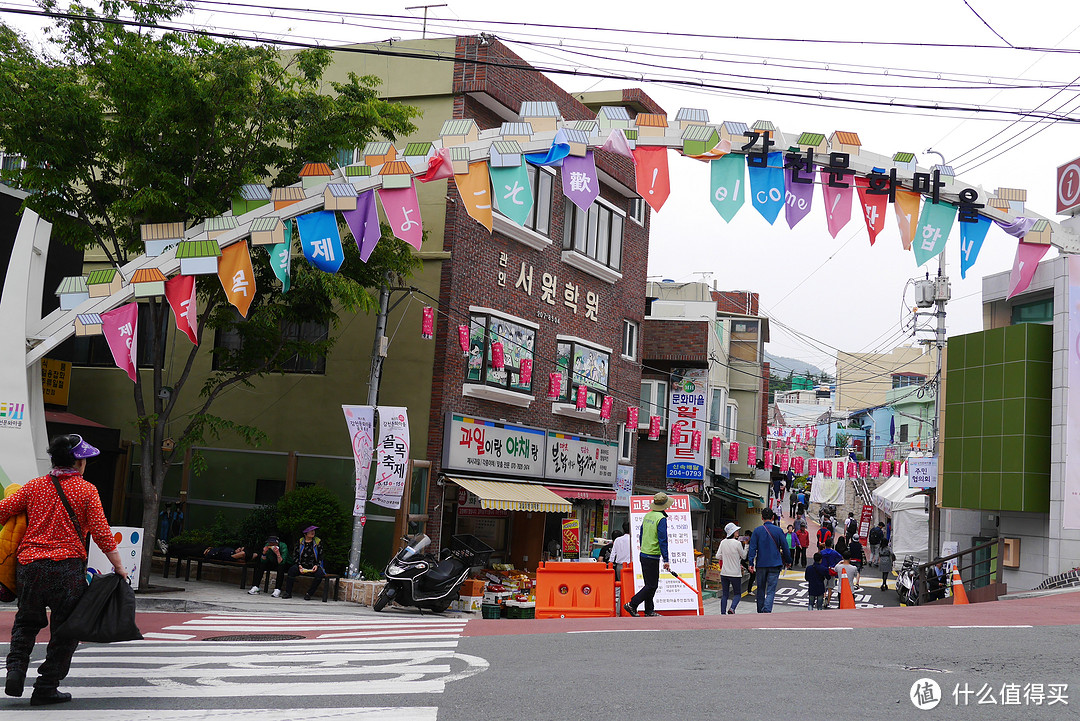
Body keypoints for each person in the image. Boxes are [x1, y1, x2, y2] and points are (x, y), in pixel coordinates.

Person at [0, 434, 129, 706]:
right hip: (67, 571)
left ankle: (15, 671)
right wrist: (119, 567)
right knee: (66, 630)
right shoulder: (86, 490)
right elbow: (102, 534)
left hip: (30, 567)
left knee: (25, 622)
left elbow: (3, 510)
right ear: (79, 462)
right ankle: (46, 686)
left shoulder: (34, 487)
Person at [624, 492, 672, 617]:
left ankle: (649, 610)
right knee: (652, 585)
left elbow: (641, 534)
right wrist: (666, 559)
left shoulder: (648, 516)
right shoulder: (661, 519)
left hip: (644, 553)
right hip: (652, 555)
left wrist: (644, 546)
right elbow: (663, 540)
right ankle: (632, 604)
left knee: (649, 584)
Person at [747, 508, 791, 613]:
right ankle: (767, 610)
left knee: (760, 588)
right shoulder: (778, 530)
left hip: (761, 564)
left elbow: (752, 548)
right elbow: (785, 547)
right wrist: (788, 560)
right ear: (772, 518)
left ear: (762, 518)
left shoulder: (757, 531)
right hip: (775, 563)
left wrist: (750, 562)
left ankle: (760, 610)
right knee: (771, 590)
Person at [282, 525, 326, 600]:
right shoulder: (300, 542)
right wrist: (299, 565)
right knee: (291, 571)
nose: (313, 532)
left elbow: (321, 555)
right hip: (301, 565)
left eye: (313, 531)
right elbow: (295, 555)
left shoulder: (318, 541)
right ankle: (288, 592)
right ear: (305, 533)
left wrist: (317, 565)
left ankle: (309, 593)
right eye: (311, 531)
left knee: (320, 574)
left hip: (313, 565)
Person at [717, 522, 746, 615]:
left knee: (725, 594)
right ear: (733, 532)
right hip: (735, 573)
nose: (738, 532)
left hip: (724, 573)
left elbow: (718, 556)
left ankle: (722, 613)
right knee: (737, 594)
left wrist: (725, 556)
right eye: (736, 530)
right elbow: (744, 556)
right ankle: (732, 608)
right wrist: (747, 546)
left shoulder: (723, 542)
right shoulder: (737, 544)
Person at [819, 538, 843, 608]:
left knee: (823, 587)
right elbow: (840, 558)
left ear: (825, 544)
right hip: (831, 571)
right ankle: (828, 601)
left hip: (823, 571)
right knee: (830, 588)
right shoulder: (834, 553)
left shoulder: (822, 552)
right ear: (832, 545)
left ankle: (822, 599)